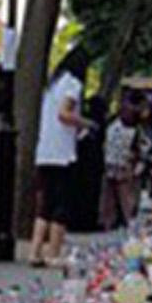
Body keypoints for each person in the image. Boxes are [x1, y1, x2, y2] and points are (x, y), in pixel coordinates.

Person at [31, 44, 90, 265]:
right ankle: (54, 253)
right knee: (61, 203)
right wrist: (86, 123)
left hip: (45, 150)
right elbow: (64, 114)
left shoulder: (53, 84)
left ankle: (35, 251)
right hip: (63, 152)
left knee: (45, 204)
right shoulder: (73, 84)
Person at [102, 94, 140, 230]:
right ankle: (110, 221)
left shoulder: (132, 128)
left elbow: (137, 149)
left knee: (124, 194)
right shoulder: (114, 123)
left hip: (122, 163)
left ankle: (128, 220)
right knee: (110, 195)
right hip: (111, 161)